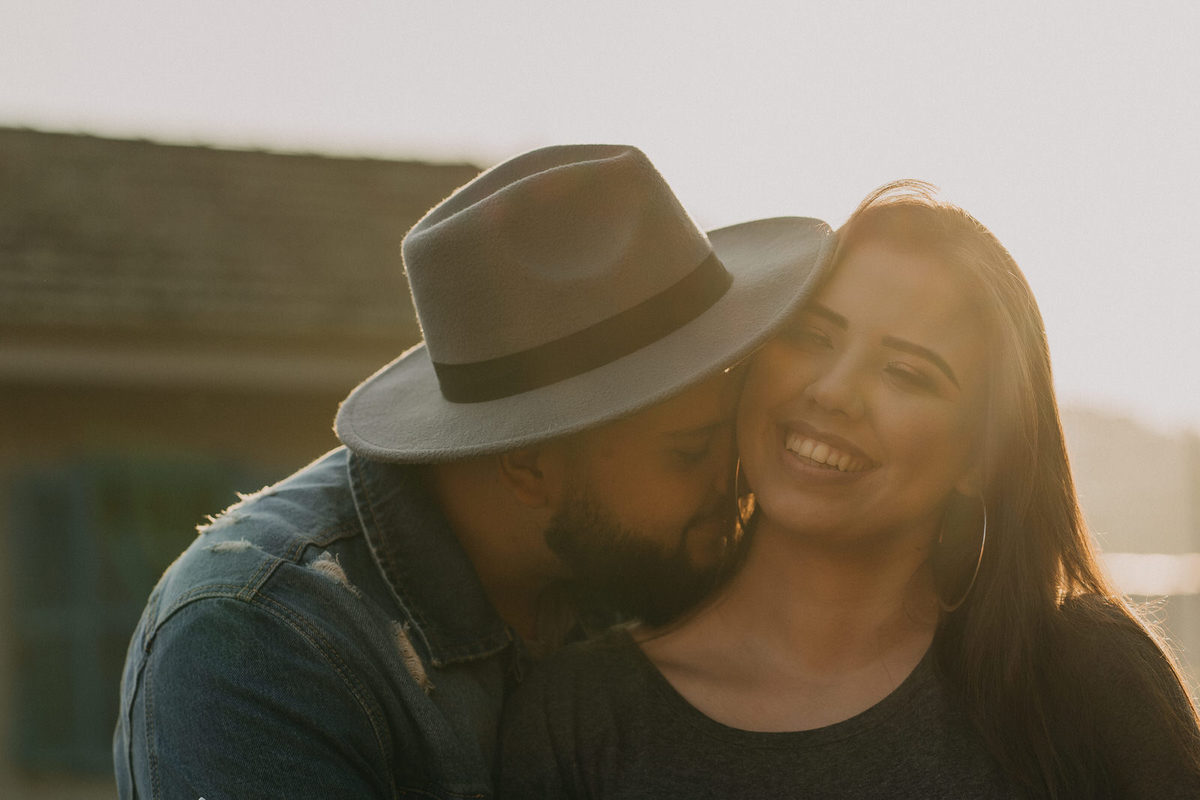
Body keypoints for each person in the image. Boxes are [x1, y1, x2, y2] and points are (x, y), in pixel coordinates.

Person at [111, 144, 833, 799]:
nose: (733, 481)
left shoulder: (635, 563)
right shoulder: (256, 644)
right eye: (690, 450)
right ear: (528, 464)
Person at [499, 181, 1200, 799]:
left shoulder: (1081, 677)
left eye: (907, 373)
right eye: (812, 336)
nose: (833, 392)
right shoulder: (582, 715)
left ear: (981, 458)